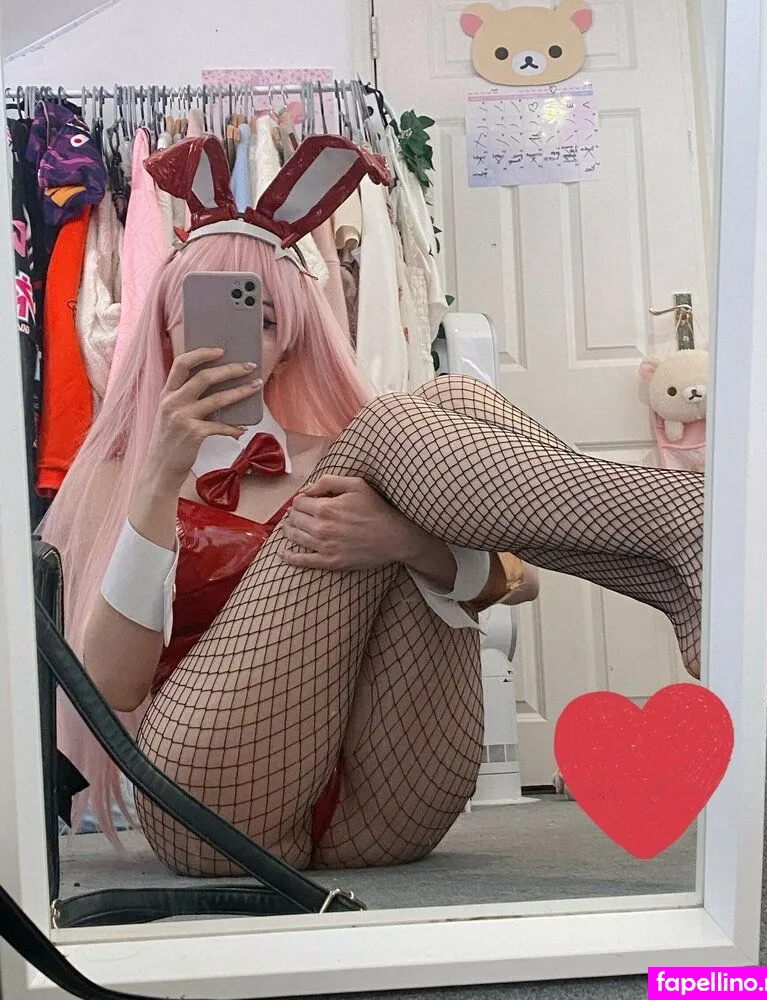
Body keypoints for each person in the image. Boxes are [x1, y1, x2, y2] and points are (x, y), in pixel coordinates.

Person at [41, 133, 703, 877]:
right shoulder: (120, 478)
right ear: (163, 329)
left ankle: (680, 540)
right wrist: (162, 478)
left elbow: (518, 581)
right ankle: (684, 525)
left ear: (291, 343)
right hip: (212, 804)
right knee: (399, 424)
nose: (232, 338)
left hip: (385, 804)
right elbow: (112, 687)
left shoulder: (350, 456)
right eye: (203, 311)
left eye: (261, 319)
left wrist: (404, 543)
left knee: (454, 399)